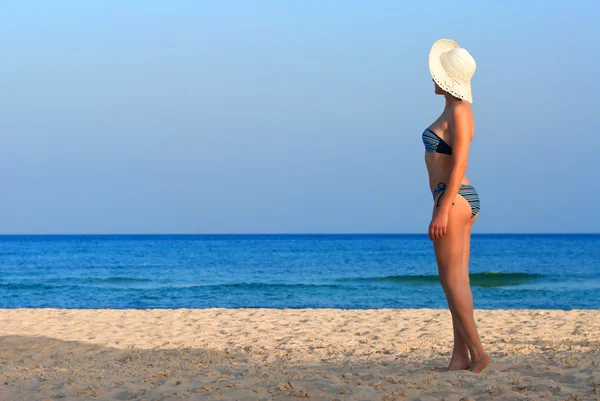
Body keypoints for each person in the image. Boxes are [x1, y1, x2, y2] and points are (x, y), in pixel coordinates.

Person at [422, 39, 490, 373]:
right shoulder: (451, 109)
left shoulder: (461, 111)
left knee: (451, 281)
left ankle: (478, 354)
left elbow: (460, 162)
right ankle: (459, 356)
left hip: (454, 198)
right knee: (457, 280)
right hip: (455, 198)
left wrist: (442, 209)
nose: (432, 78)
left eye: (437, 74)